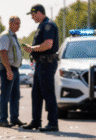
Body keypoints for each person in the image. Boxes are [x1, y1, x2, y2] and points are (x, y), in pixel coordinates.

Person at [22, 4, 60, 132]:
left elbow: (48, 44)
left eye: (33, 15)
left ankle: (53, 123)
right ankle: (36, 121)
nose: (32, 18)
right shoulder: (42, 25)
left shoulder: (48, 25)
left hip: (47, 63)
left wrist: (32, 48)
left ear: (39, 13)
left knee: (48, 92)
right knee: (36, 93)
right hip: (40, 64)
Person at [0, 16, 25, 128]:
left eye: (19, 23)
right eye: (16, 23)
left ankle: (14, 118)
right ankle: (3, 120)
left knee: (15, 95)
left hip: (14, 69)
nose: (18, 25)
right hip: (7, 69)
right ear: (10, 23)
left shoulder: (13, 36)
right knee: (6, 95)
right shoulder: (5, 36)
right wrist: (8, 70)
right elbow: (3, 53)